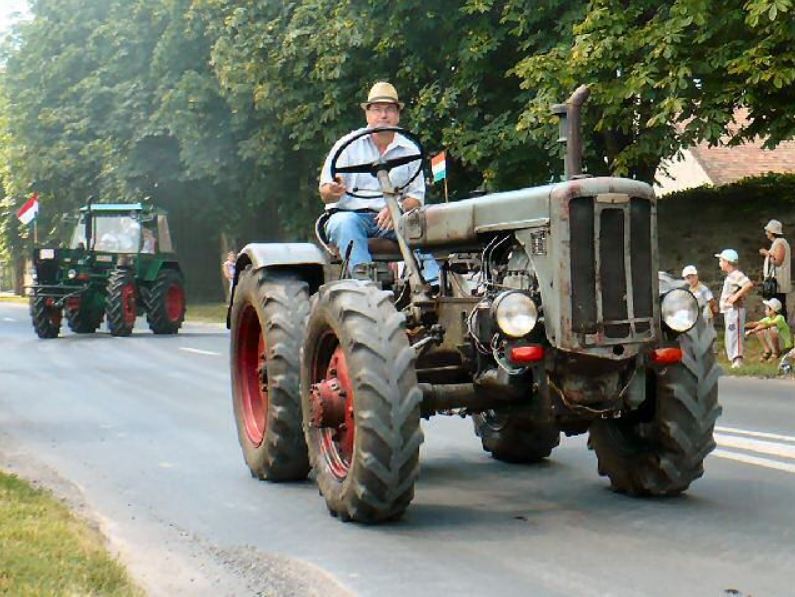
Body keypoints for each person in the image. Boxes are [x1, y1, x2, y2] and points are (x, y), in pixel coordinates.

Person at [318, 81, 440, 286]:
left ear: (397, 115)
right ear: (367, 114)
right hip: (351, 216)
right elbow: (325, 193)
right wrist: (333, 190)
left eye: (389, 109)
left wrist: (396, 209)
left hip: (393, 219)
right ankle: (365, 286)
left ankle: (434, 286)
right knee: (345, 223)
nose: (383, 115)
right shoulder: (347, 146)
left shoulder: (410, 150)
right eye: (377, 109)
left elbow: (416, 198)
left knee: (419, 227)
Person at [716, 249, 754, 369]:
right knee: (730, 334)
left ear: (727, 262)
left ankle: (738, 358)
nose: (720, 263)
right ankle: (733, 359)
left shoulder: (737, 274)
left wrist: (736, 296)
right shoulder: (731, 276)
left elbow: (748, 284)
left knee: (735, 333)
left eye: (721, 260)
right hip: (729, 310)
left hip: (735, 309)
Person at [758, 219, 791, 321]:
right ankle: (775, 328)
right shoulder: (777, 243)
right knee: (774, 305)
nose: (766, 233)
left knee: (778, 306)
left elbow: (778, 261)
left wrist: (766, 253)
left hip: (778, 282)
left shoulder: (780, 243)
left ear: (772, 232)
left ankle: (780, 328)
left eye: (767, 231)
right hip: (776, 282)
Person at [745, 297, 793, 362]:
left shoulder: (780, 318)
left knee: (773, 329)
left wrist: (752, 331)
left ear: (772, 310)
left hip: (783, 345)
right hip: (776, 343)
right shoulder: (767, 319)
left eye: (766, 309)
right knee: (760, 330)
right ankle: (768, 351)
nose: (765, 310)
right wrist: (742, 326)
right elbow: (755, 323)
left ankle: (776, 353)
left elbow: (767, 325)